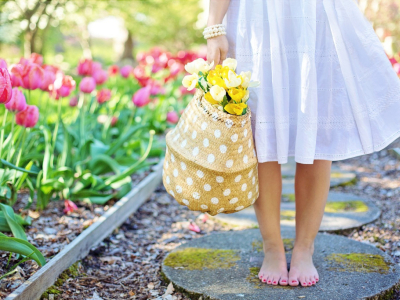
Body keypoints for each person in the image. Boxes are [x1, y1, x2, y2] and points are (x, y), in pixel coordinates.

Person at [205, 0, 400, 287]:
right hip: (256, 17)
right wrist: (214, 27)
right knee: (260, 130)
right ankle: (272, 245)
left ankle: (304, 247)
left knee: (317, 129)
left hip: (315, 15)